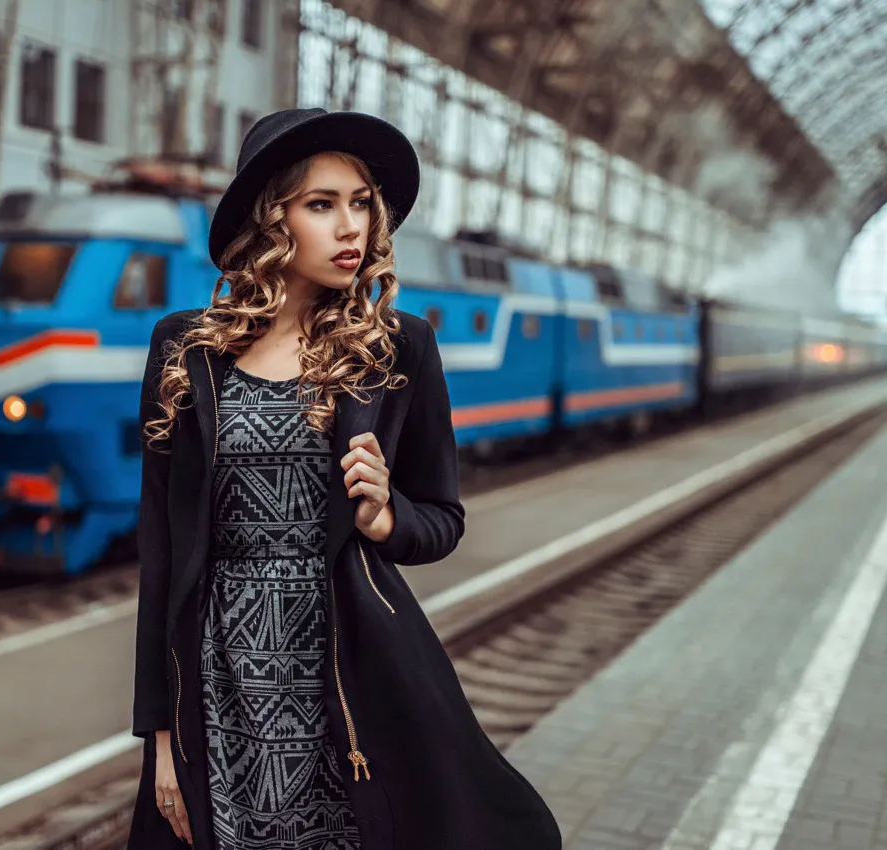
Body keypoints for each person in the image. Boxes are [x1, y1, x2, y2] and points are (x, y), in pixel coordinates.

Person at [126, 107, 561, 850]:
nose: (351, 227)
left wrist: (387, 520)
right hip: (215, 673)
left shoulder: (400, 349)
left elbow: (442, 518)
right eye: (321, 205)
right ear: (271, 219)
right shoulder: (185, 349)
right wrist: (159, 736)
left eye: (361, 203)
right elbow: (161, 551)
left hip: (346, 673)